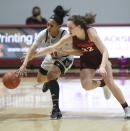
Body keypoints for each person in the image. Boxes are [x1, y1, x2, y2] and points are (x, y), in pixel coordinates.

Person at [19, 13, 130, 118]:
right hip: (87, 60)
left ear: (79, 26)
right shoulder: (70, 37)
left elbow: (105, 51)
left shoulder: (91, 33)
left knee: (111, 83)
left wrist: (101, 66)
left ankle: (126, 108)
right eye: (67, 28)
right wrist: (34, 55)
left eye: (71, 28)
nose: (68, 30)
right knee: (86, 85)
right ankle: (102, 84)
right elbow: (53, 48)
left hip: (101, 59)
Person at [18, 5, 74, 119]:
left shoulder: (65, 35)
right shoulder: (44, 33)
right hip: (51, 57)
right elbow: (32, 49)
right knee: (40, 79)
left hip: (65, 58)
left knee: (51, 74)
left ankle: (56, 109)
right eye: (47, 24)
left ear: (58, 26)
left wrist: (33, 56)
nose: (48, 27)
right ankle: (49, 82)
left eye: (51, 25)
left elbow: (47, 50)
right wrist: (24, 65)